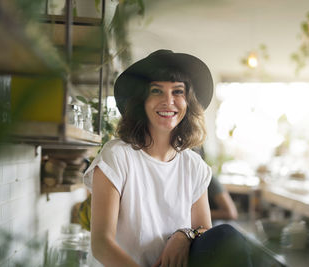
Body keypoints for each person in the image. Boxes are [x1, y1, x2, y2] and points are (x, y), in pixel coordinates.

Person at [83, 50, 253, 267]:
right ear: (141, 101)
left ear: (188, 102)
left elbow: (203, 230)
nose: (168, 101)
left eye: (178, 92)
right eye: (156, 91)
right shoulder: (117, 156)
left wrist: (183, 235)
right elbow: (101, 244)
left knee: (228, 237)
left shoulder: (194, 166)